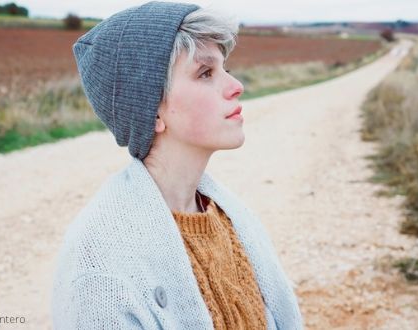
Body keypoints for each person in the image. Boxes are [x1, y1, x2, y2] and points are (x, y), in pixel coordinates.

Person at [51, 1, 303, 329]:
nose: (236, 86)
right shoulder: (100, 267)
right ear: (152, 110)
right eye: (205, 73)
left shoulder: (225, 214)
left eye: (223, 68)